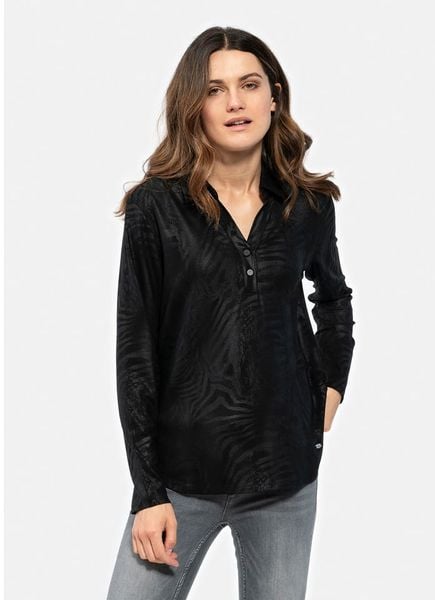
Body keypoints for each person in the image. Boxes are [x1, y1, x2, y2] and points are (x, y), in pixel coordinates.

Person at [106, 25, 356, 600]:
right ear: (193, 106)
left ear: (274, 97)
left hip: (285, 479)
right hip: (181, 480)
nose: (235, 102)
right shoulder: (155, 208)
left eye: (249, 84)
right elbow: (135, 350)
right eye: (215, 89)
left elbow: (334, 298)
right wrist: (148, 493)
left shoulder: (308, 205)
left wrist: (332, 385)